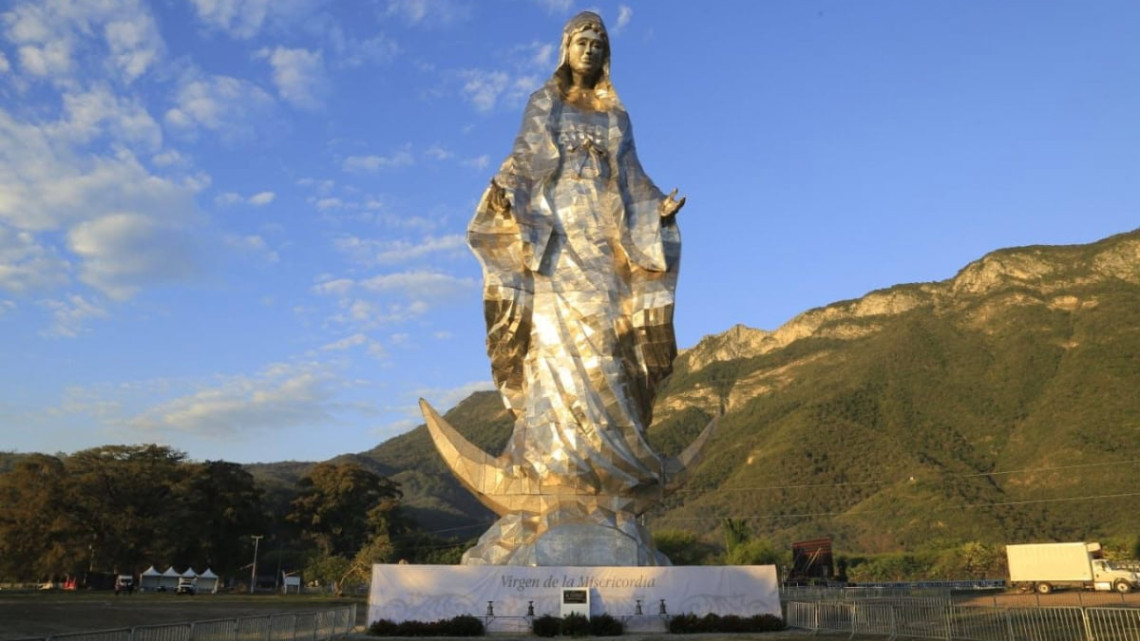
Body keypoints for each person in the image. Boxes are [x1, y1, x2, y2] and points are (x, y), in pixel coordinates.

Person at [468, 11, 685, 501]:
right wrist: (506, 199)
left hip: (605, 241)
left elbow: (632, 180)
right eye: (581, 41)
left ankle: (609, 468)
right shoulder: (544, 103)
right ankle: (548, 464)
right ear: (565, 49)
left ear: (606, 55)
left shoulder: (616, 117)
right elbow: (522, 165)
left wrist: (659, 212)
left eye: (598, 43)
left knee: (609, 337)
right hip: (553, 241)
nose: (589, 50)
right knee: (550, 344)